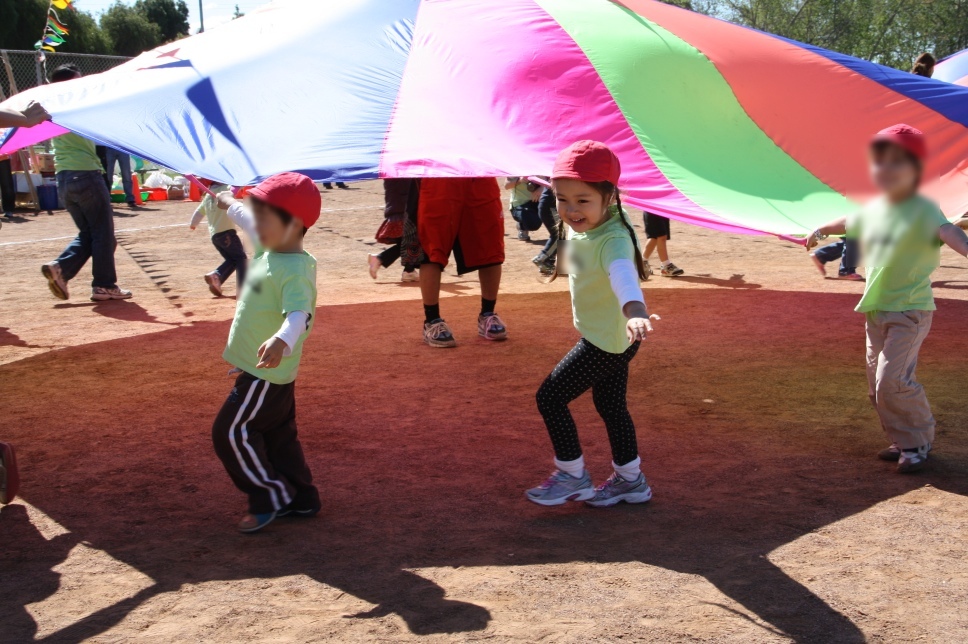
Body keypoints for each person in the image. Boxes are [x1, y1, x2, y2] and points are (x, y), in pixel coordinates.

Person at [806, 125, 968, 473]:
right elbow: (852, 220)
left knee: (891, 381)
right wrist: (822, 230)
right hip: (876, 309)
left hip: (910, 310)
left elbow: (948, 230)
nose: (885, 169)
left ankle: (918, 442)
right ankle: (901, 438)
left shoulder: (924, 209)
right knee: (875, 385)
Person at [527, 140, 658, 508]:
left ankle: (572, 475)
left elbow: (623, 276)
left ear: (610, 198)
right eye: (561, 199)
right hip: (616, 336)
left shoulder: (614, 238)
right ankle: (631, 481)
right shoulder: (586, 221)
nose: (570, 209)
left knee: (550, 398)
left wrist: (635, 311)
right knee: (612, 407)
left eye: (582, 200)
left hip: (609, 338)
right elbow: (575, 250)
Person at [210, 172, 322, 533]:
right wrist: (222, 196)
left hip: (265, 373)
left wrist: (282, 340)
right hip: (268, 373)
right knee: (277, 437)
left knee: (230, 432)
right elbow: (241, 213)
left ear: (290, 225)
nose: (254, 224)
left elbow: (299, 316)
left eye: (264, 217)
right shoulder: (270, 245)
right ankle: (301, 498)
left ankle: (269, 494)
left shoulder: (294, 270)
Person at [40, 65, 131, 302]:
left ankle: (61, 270)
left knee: (91, 233)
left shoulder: (51, 105)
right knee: (103, 234)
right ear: (70, 83)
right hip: (86, 174)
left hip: (65, 177)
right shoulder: (76, 103)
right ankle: (103, 284)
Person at [417, 177, 508, 348]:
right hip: (438, 172)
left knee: (491, 247)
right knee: (432, 248)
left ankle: (488, 313)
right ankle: (432, 320)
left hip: (480, 172)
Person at [189, 180, 247, 296]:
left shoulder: (208, 195)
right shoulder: (226, 188)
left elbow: (199, 212)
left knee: (233, 260)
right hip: (227, 233)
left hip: (215, 236)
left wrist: (193, 224)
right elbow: (237, 186)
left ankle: (217, 279)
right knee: (241, 259)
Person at [0, 102, 50, 222]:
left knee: (7, 186)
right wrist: (24, 119)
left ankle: (9, 210)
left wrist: (22, 116)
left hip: (2, 157)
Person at [368, 178, 420, 282]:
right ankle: (380, 259)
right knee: (411, 242)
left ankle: (409, 270)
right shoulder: (405, 176)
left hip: (396, 211)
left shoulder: (391, 174)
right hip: (403, 212)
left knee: (408, 243)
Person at [504, 176, 543, 241]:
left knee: (555, 209)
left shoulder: (540, 166)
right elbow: (506, 185)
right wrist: (519, 180)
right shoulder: (516, 168)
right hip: (520, 204)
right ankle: (522, 226)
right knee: (533, 224)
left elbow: (552, 181)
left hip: (539, 202)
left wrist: (542, 188)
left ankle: (555, 234)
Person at [643, 212, 682, 277]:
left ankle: (642, 263)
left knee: (654, 237)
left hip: (662, 209)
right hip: (652, 209)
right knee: (661, 236)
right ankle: (666, 266)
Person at [533, 185, 559, 274]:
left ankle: (546, 264)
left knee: (558, 235)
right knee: (559, 236)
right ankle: (542, 258)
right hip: (550, 208)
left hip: (549, 207)